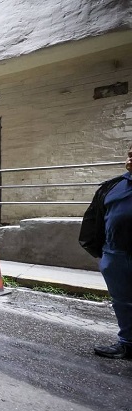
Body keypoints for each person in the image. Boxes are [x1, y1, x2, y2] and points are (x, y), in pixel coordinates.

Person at [80, 143, 132, 360]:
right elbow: (95, 219)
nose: (130, 156)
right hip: (115, 254)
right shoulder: (113, 186)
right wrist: (103, 255)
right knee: (122, 301)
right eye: (130, 152)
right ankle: (128, 343)